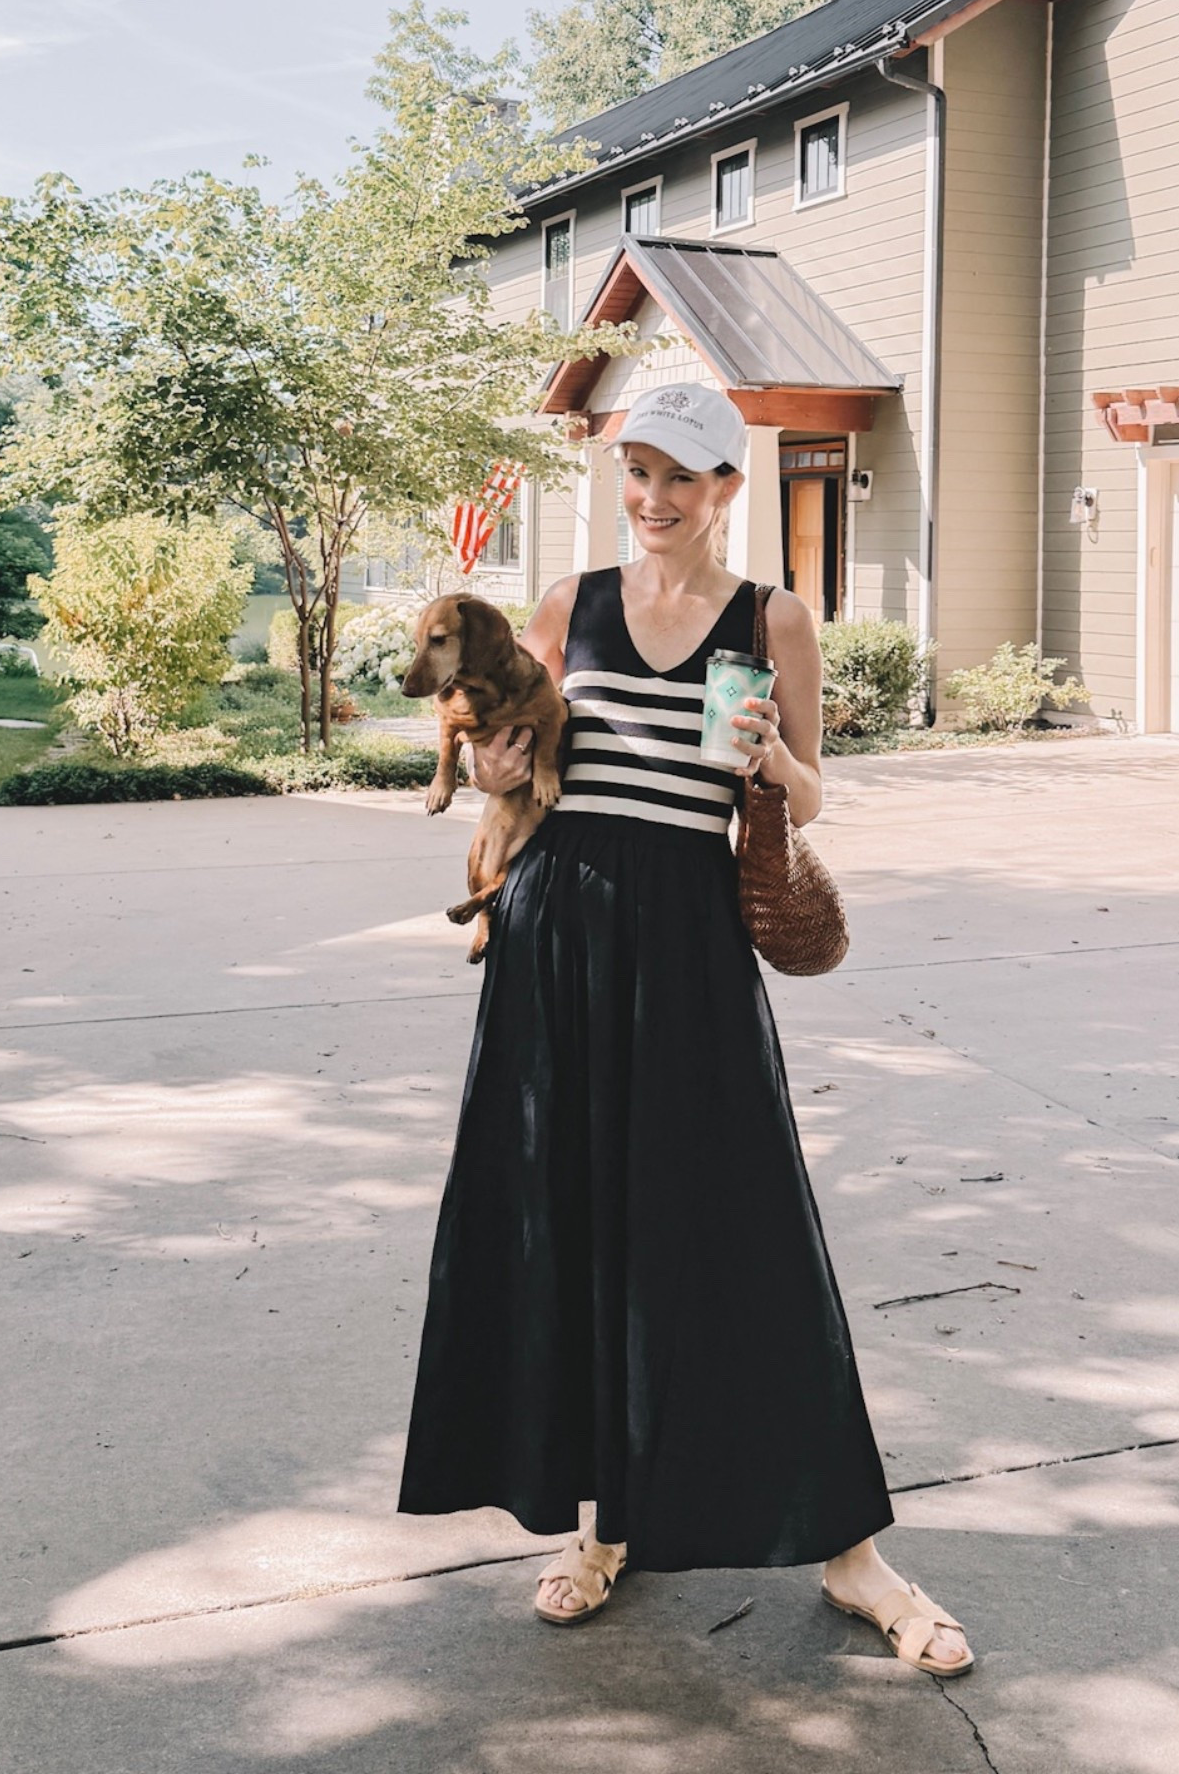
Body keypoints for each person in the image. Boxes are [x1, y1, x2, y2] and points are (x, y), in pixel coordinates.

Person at [397, 382, 973, 1678]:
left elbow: (810, 797)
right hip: (555, 942)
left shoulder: (771, 620)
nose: (652, 499)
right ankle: (604, 1527)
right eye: (636, 473)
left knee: (746, 1238)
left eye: (679, 477)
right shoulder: (571, 607)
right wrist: (492, 765)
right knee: (574, 1232)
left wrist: (772, 763)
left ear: (726, 488)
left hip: (692, 952)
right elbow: (510, 748)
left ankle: (850, 1554)